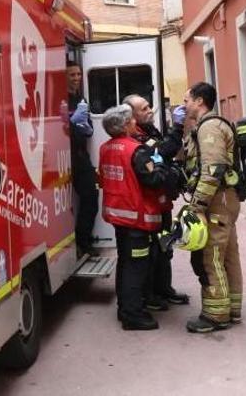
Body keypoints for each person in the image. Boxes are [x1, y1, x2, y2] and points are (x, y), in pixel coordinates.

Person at [99, 104, 171, 330]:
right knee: (136, 267)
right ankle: (132, 315)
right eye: (131, 120)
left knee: (125, 263)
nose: (134, 123)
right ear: (123, 125)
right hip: (137, 219)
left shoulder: (105, 148)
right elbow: (154, 180)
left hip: (119, 217)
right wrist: (161, 166)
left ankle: (124, 308)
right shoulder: (137, 150)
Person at [181, 82, 243, 333]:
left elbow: (212, 170)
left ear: (199, 101)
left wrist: (197, 205)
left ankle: (215, 316)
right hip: (226, 200)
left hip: (217, 201)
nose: (183, 105)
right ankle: (232, 309)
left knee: (211, 257)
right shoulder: (210, 125)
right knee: (229, 257)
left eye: (186, 100)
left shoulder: (210, 127)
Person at [123, 94, 190, 310]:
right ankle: (150, 295)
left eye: (149, 106)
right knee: (152, 251)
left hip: (162, 203)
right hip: (149, 205)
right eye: (143, 109)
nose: (150, 110)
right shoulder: (137, 138)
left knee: (165, 246)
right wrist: (177, 127)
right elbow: (162, 152)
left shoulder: (150, 130)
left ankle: (164, 289)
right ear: (132, 116)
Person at [67, 62, 98, 257]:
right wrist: (70, 124)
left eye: (78, 74)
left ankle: (83, 241)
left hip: (80, 157)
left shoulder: (81, 99)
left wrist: (86, 129)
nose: (77, 77)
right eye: (72, 75)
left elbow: (89, 128)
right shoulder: (58, 99)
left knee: (91, 199)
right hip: (65, 156)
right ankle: (79, 244)